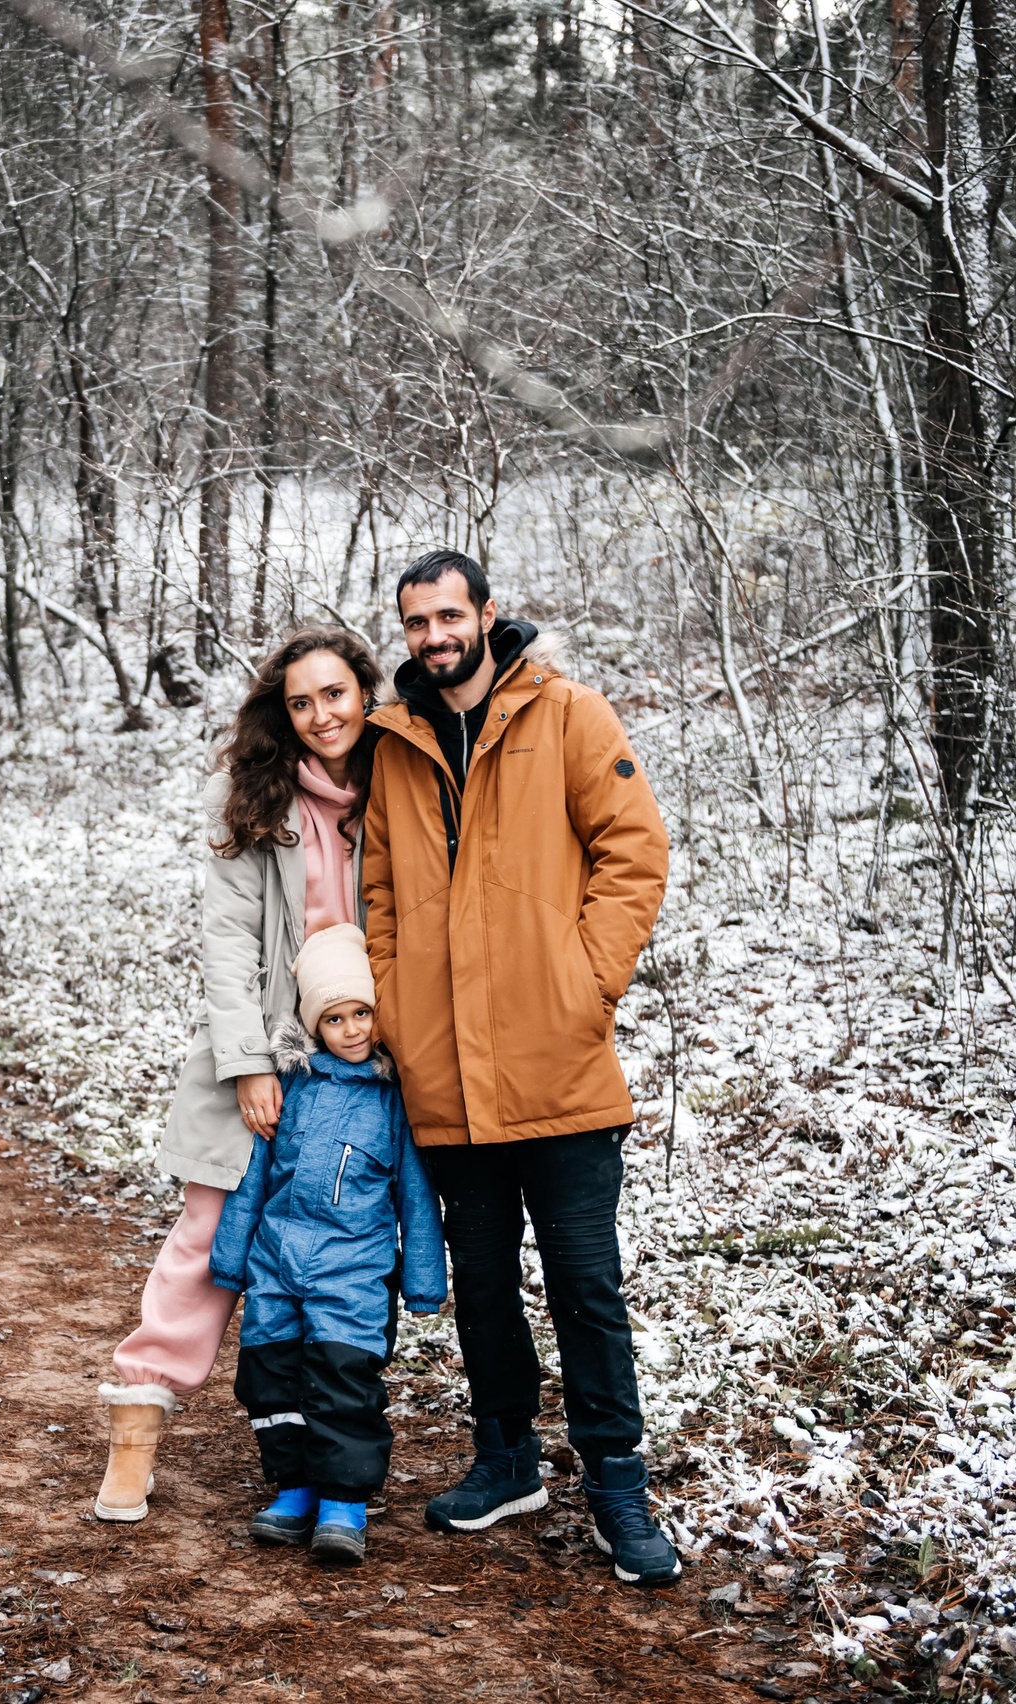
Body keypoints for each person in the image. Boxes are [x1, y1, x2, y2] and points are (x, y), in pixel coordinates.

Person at [358, 547, 684, 1586]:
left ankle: (617, 1487)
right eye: (415, 623)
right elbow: (378, 897)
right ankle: (504, 1459)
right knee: (484, 1284)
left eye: (448, 616)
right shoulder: (394, 743)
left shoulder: (567, 714)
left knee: (585, 1287)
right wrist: (398, 1004)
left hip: (562, 1070)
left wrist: (584, 985)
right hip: (447, 1074)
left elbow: (635, 852)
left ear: (487, 616)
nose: (432, 638)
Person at [93, 629, 383, 1522]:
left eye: (336, 695)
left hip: (367, 1061)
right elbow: (227, 945)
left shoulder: (401, 785)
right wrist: (250, 1064)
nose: (321, 715)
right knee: (210, 1236)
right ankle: (135, 1435)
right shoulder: (254, 798)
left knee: (350, 1245)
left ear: (366, 696)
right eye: (302, 702)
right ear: (281, 714)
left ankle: (330, 1459)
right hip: (268, 1052)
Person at [207, 923, 445, 1565]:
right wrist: (231, 1258)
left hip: (353, 1271)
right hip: (277, 1264)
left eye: (361, 1012)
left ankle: (343, 1502)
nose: (351, 1030)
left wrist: (424, 1277)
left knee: (343, 1381)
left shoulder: (393, 1100)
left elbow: (416, 1197)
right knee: (270, 1377)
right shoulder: (293, 1088)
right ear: (314, 1027)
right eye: (334, 1018)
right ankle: (297, 1489)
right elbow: (253, 1180)